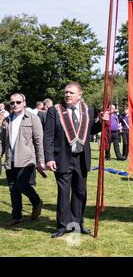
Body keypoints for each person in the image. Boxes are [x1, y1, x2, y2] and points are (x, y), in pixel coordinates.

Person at [44, 82, 107, 238]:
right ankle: (63, 226)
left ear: (80, 95)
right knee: (64, 193)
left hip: (81, 159)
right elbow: (48, 136)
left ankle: (77, 223)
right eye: (66, 92)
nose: (67, 95)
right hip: (62, 158)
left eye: (71, 93)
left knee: (80, 193)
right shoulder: (54, 111)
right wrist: (49, 158)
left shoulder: (89, 110)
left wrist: (101, 122)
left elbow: (91, 130)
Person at [0, 93, 46, 226]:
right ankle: (17, 216)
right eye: (12, 103)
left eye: (18, 102)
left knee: (22, 185)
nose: (15, 105)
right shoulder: (6, 120)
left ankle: (36, 201)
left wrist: (40, 161)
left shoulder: (32, 118)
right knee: (13, 188)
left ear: (24, 103)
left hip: (27, 160)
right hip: (10, 160)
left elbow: (39, 141)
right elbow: (2, 141)